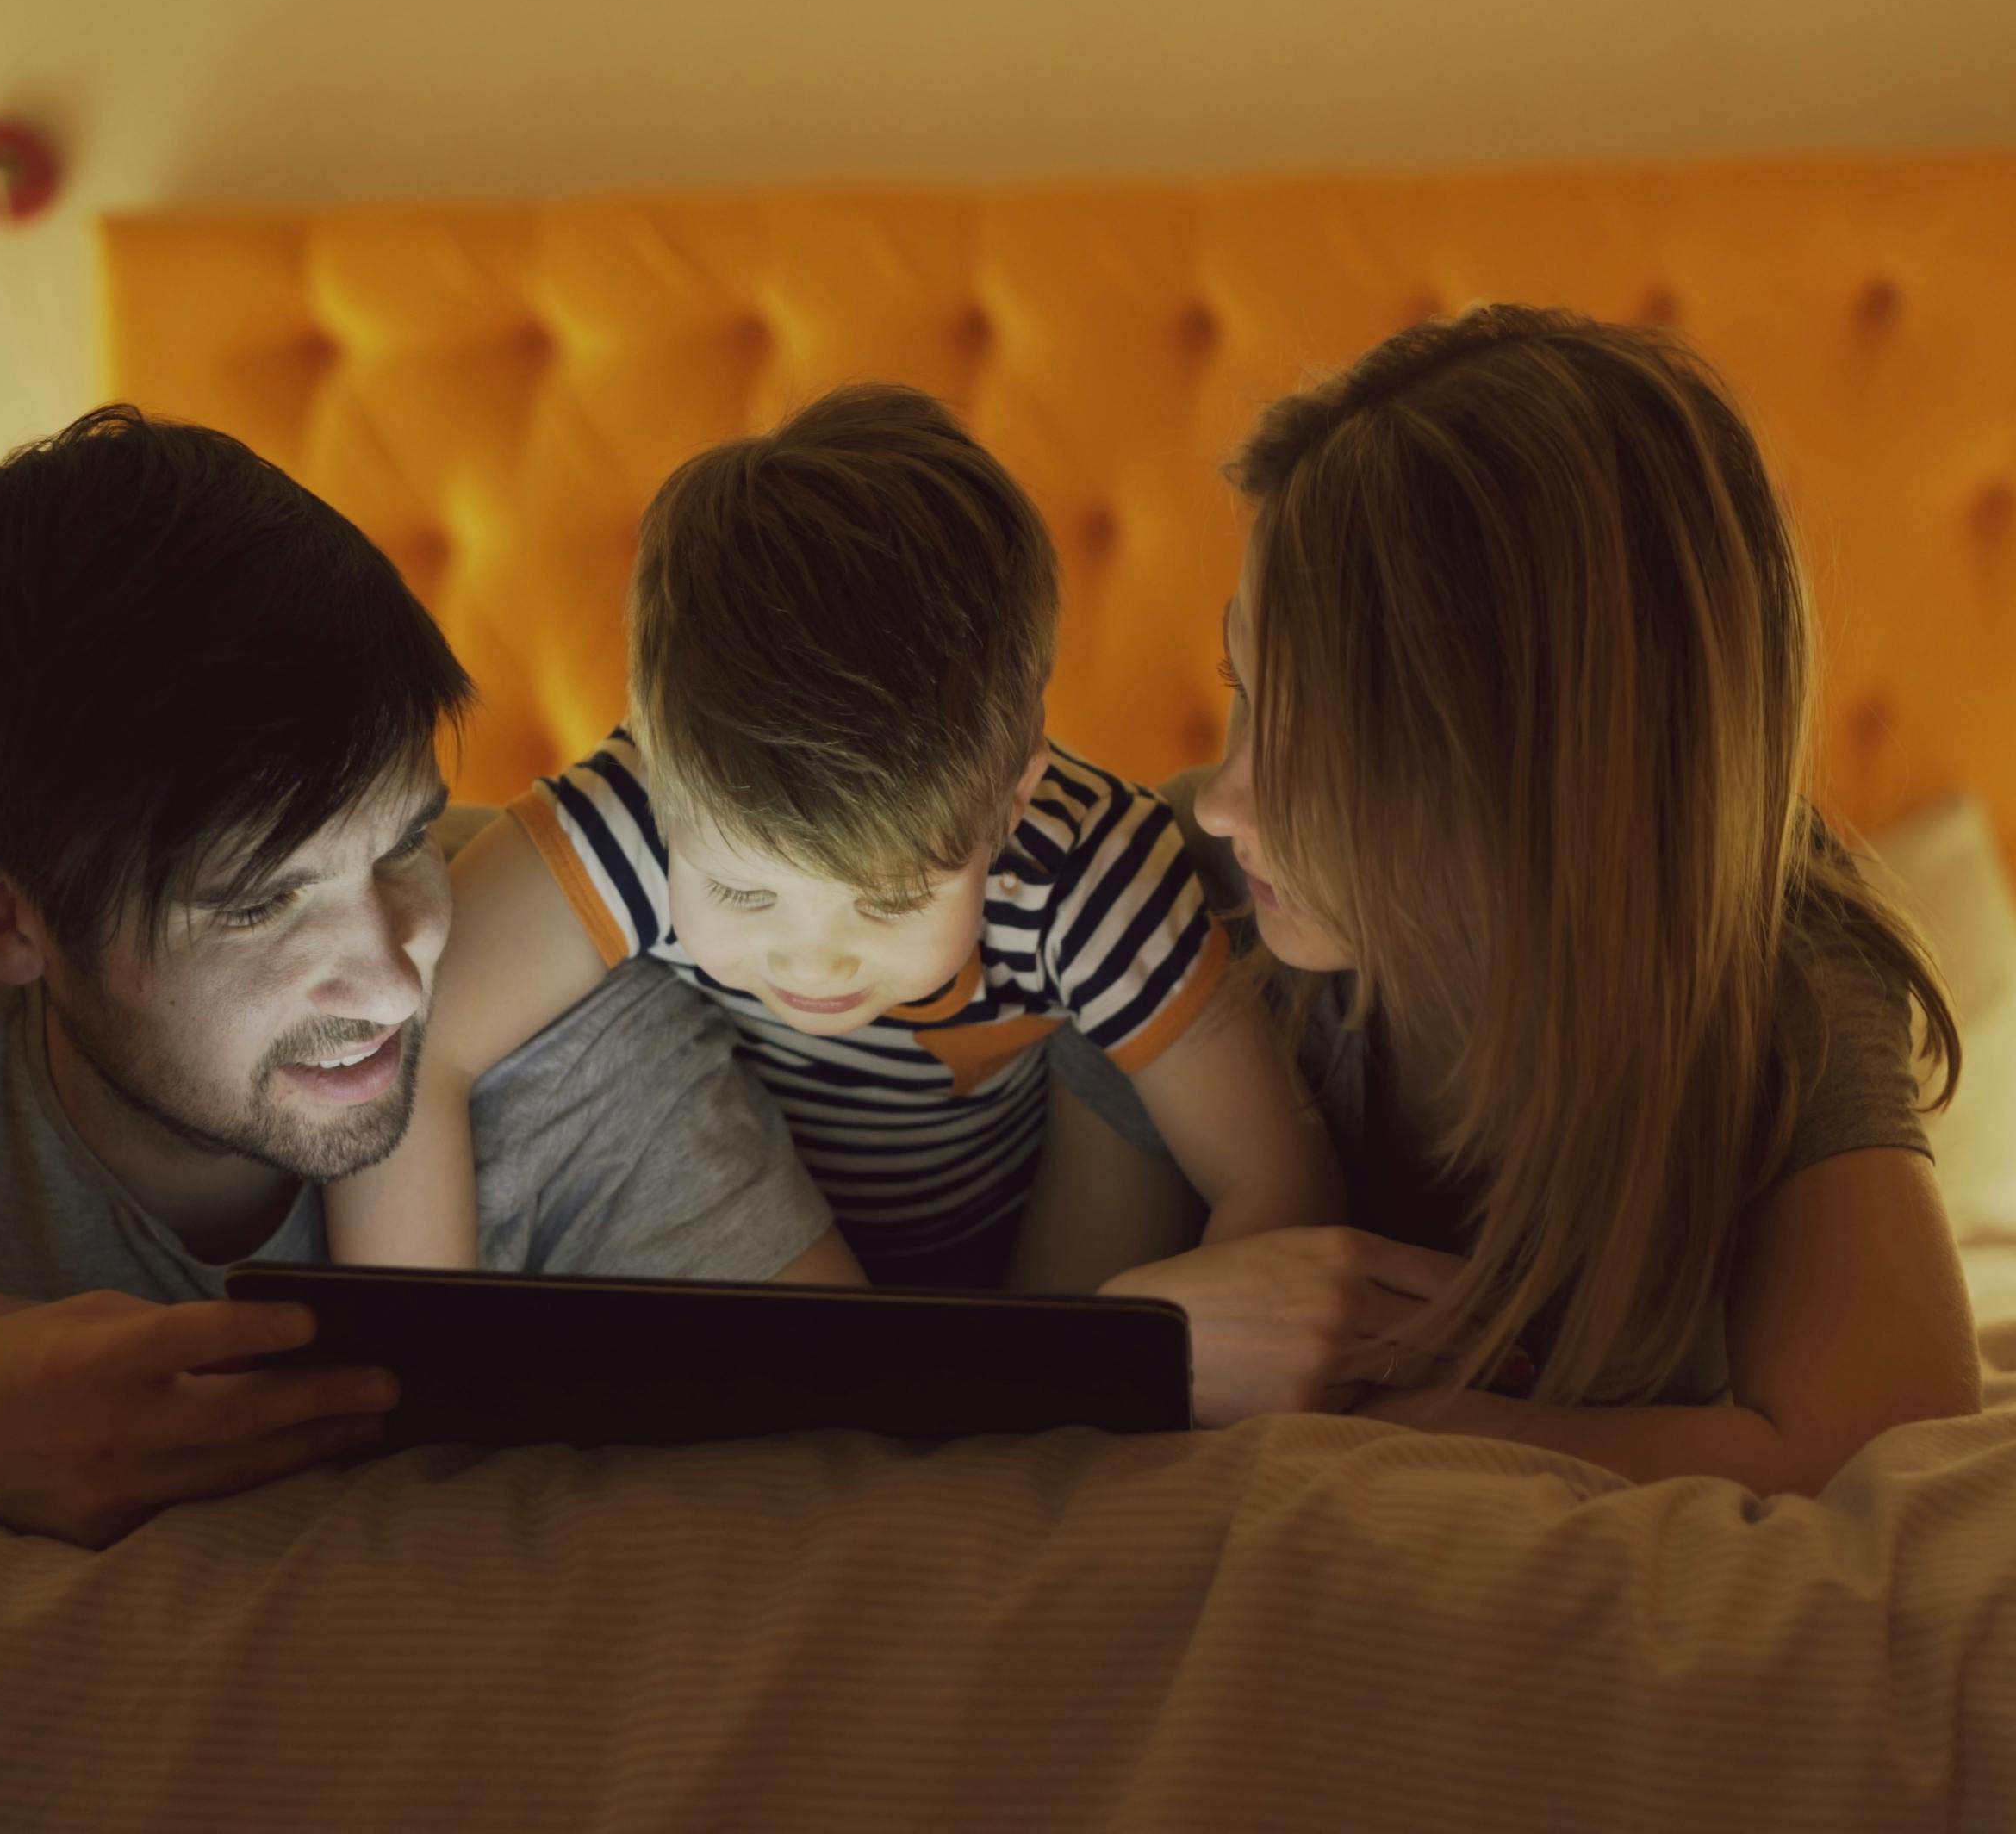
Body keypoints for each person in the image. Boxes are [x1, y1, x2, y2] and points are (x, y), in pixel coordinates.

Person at [0, 407, 841, 1545]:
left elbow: (873, 1474)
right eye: (259, 904)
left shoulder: (572, 1007)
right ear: (1, 916)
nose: (393, 976)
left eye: (403, 842)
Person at [1059, 308, 1982, 1491]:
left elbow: (1884, 1442)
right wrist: (1144, 1340)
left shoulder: (1767, 947)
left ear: (1549, 775)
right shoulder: (1166, 899)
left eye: (1327, 733)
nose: (1232, 803)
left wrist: (1395, 1418)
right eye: (1245, 683)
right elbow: (1021, 1379)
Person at [327, 385, 1335, 1289]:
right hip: (730, 1253)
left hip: (1020, 1280)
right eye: (746, 894)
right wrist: (412, 1355)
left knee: (1121, 1113)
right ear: (664, 788)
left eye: (892, 898)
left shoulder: (1091, 871)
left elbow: (1274, 1174)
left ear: (1012, 803)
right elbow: (417, 1049)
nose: (814, 956)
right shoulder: (637, 816)